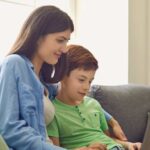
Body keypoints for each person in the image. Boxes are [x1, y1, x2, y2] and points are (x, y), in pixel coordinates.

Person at [0, 5, 74, 150]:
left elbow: (76, 97)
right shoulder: (14, 64)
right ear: (38, 36)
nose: (65, 49)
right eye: (60, 40)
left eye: (67, 42)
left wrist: (110, 119)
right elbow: (9, 129)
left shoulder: (45, 83)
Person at [47, 45, 141, 150]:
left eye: (90, 81)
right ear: (62, 76)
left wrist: (129, 145)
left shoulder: (93, 104)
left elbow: (106, 139)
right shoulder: (53, 112)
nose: (87, 87)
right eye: (81, 80)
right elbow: (55, 148)